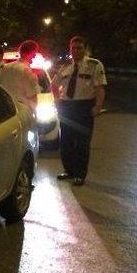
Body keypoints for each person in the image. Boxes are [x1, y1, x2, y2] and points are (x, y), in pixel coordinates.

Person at [51, 36, 106, 186]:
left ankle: (80, 174)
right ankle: (69, 171)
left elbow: (100, 88)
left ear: (85, 49)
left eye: (79, 48)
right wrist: (57, 101)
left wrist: (98, 106)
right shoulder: (65, 66)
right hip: (66, 107)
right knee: (66, 142)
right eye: (73, 48)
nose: (76, 51)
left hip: (84, 107)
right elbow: (53, 85)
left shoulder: (94, 65)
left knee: (82, 143)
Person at [0, 40, 39, 109]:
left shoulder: (5, 67)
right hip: (22, 110)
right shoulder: (26, 70)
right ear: (33, 53)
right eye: (35, 53)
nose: (34, 56)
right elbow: (32, 96)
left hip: (6, 108)